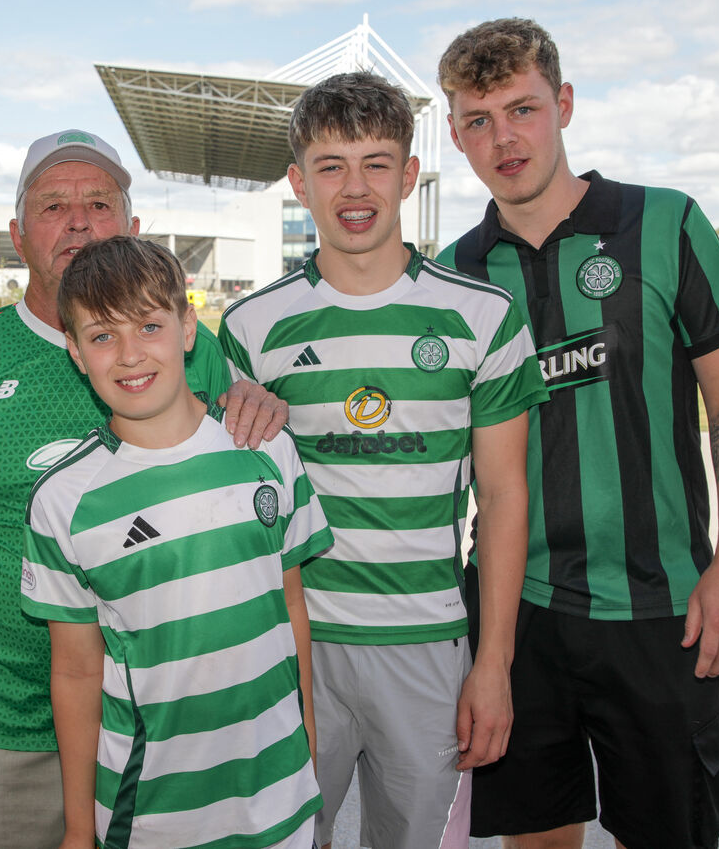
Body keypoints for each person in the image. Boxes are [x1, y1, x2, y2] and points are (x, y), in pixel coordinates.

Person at [436, 18, 719, 849]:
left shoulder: (665, 224)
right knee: (538, 836)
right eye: (479, 120)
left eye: (523, 109)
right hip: (520, 613)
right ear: (456, 135)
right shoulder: (456, 274)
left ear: (565, 104)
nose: (504, 138)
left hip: (661, 606)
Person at [0, 128, 287, 849]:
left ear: (134, 230)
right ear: (18, 235)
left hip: (154, 720)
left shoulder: (187, 348)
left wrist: (257, 402)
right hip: (4, 723)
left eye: (99, 204)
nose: (78, 220)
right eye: (53, 206)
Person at [220, 72, 547, 849]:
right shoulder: (251, 327)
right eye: (331, 165)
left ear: (408, 176)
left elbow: (504, 500)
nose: (354, 187)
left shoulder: (484, 318)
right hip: (293, 645)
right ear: (299, 182)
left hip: (428, 648)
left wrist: (493, 666)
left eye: (376, 162)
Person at [20, 235, 329, 848]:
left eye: (149, 326)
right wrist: (80, 830)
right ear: (76, 353)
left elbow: (291, 610)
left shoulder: (266, 447)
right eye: (102, 336)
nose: (129, 355)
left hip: (280, 797)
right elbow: (77, 672)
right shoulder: (63, 501)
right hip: (151, 816)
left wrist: (309, 754)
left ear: (189, 328)